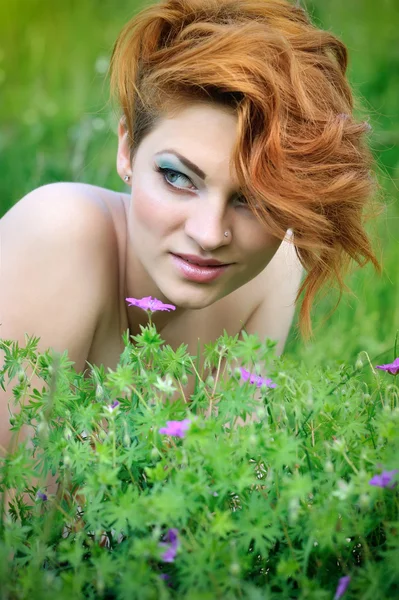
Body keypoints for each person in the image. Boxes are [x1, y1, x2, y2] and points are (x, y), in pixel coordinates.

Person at [0, 0, 379, 456]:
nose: (208, 233)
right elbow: (17, 513)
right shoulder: (57, 233)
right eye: (178, 178)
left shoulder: (275, 263)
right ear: (126, 148)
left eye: (253, 200)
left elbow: (219, 496)